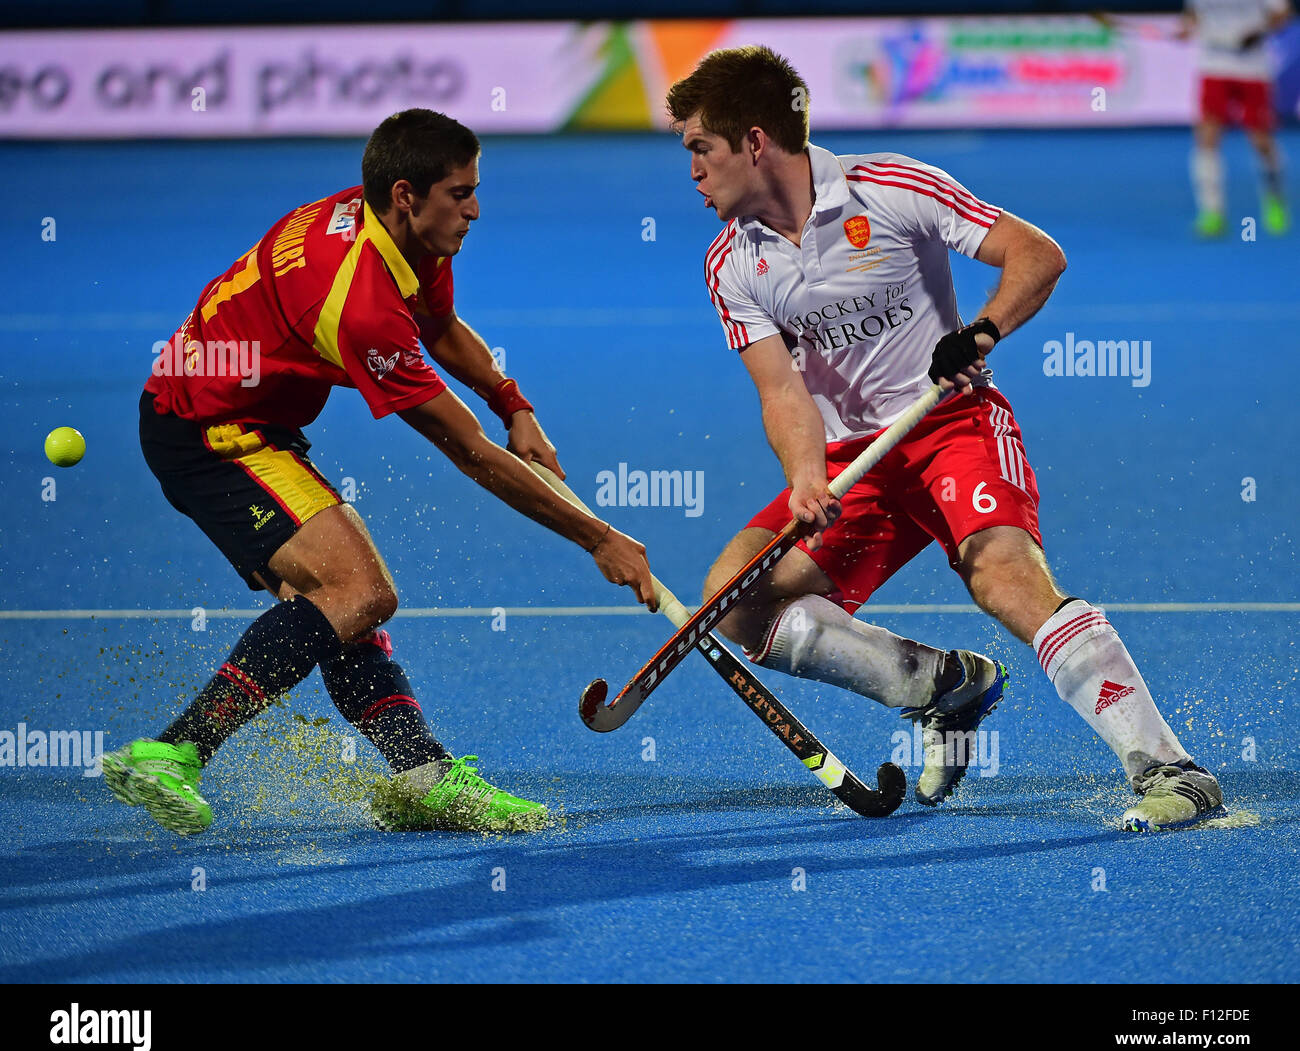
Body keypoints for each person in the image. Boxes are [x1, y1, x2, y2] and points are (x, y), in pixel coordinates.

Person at [667, 46, 1226, 831]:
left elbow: (1036, 254)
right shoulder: (731, 262)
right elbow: (780, 389)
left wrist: (981, 331)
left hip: (950, 426)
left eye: (700, 147)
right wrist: (802, 475)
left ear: (755, 142)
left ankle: (1170, 767)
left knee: (1002, 578)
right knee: (734, 601)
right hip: (850, 459)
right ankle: (940, 684)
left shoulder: (888, 186)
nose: (689, 169)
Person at [103, 109, 658, 837]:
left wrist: (512, 404)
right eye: (460, 194)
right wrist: (598, 537)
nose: (474, 209)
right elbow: (466, 453)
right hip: (206, 431)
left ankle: (421, 774)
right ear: (406, 193)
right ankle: (175, 749)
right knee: (358, 592)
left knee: (339, 606)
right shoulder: (357, 303)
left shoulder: (398, 228)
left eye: (475, 188)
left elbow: (436, 326)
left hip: (237, 414)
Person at [1182, 0, 1293, 236]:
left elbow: (1284, 13)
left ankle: (1274, 197)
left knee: (1261, 142)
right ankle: (1212, 212)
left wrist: (1257, 33)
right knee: (1207, 137)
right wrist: (1188, 27)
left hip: (1253, 70)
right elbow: (1193, 15)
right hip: (1213, 66)